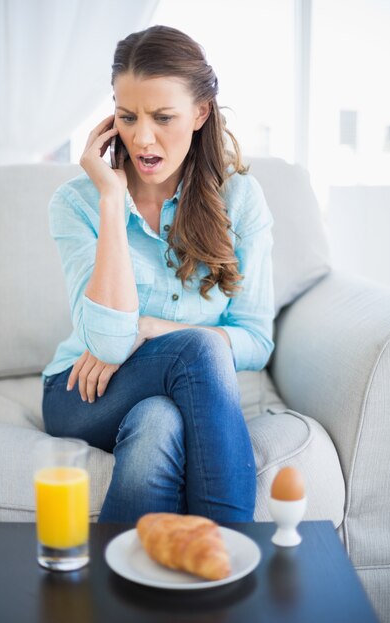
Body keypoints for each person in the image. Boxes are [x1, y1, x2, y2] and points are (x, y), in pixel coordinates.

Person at [41, 24, 274, 523]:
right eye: (127, 117)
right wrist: (110, 198)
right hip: (83, 392)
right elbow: (105, 345)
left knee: (158, 421)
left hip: (167, 391)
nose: (141, 137)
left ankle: (123, 593)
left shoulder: (240, 200)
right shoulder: (76, 203)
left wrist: (154, 330)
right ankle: (231, 553)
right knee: (203, 346)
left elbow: (256, 340)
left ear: (200, 112)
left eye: (163, 117)